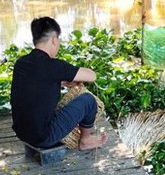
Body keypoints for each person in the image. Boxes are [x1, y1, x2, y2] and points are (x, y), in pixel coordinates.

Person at [10, 16, 107, 150]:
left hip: (22, 133)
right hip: (43, 137)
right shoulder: (54, 66)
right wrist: (72, 77)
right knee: (88, 101)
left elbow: (35, 84)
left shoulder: (21, 63)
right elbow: (91, 76)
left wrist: (62, 82)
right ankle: (86, 140)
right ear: (54, 40)